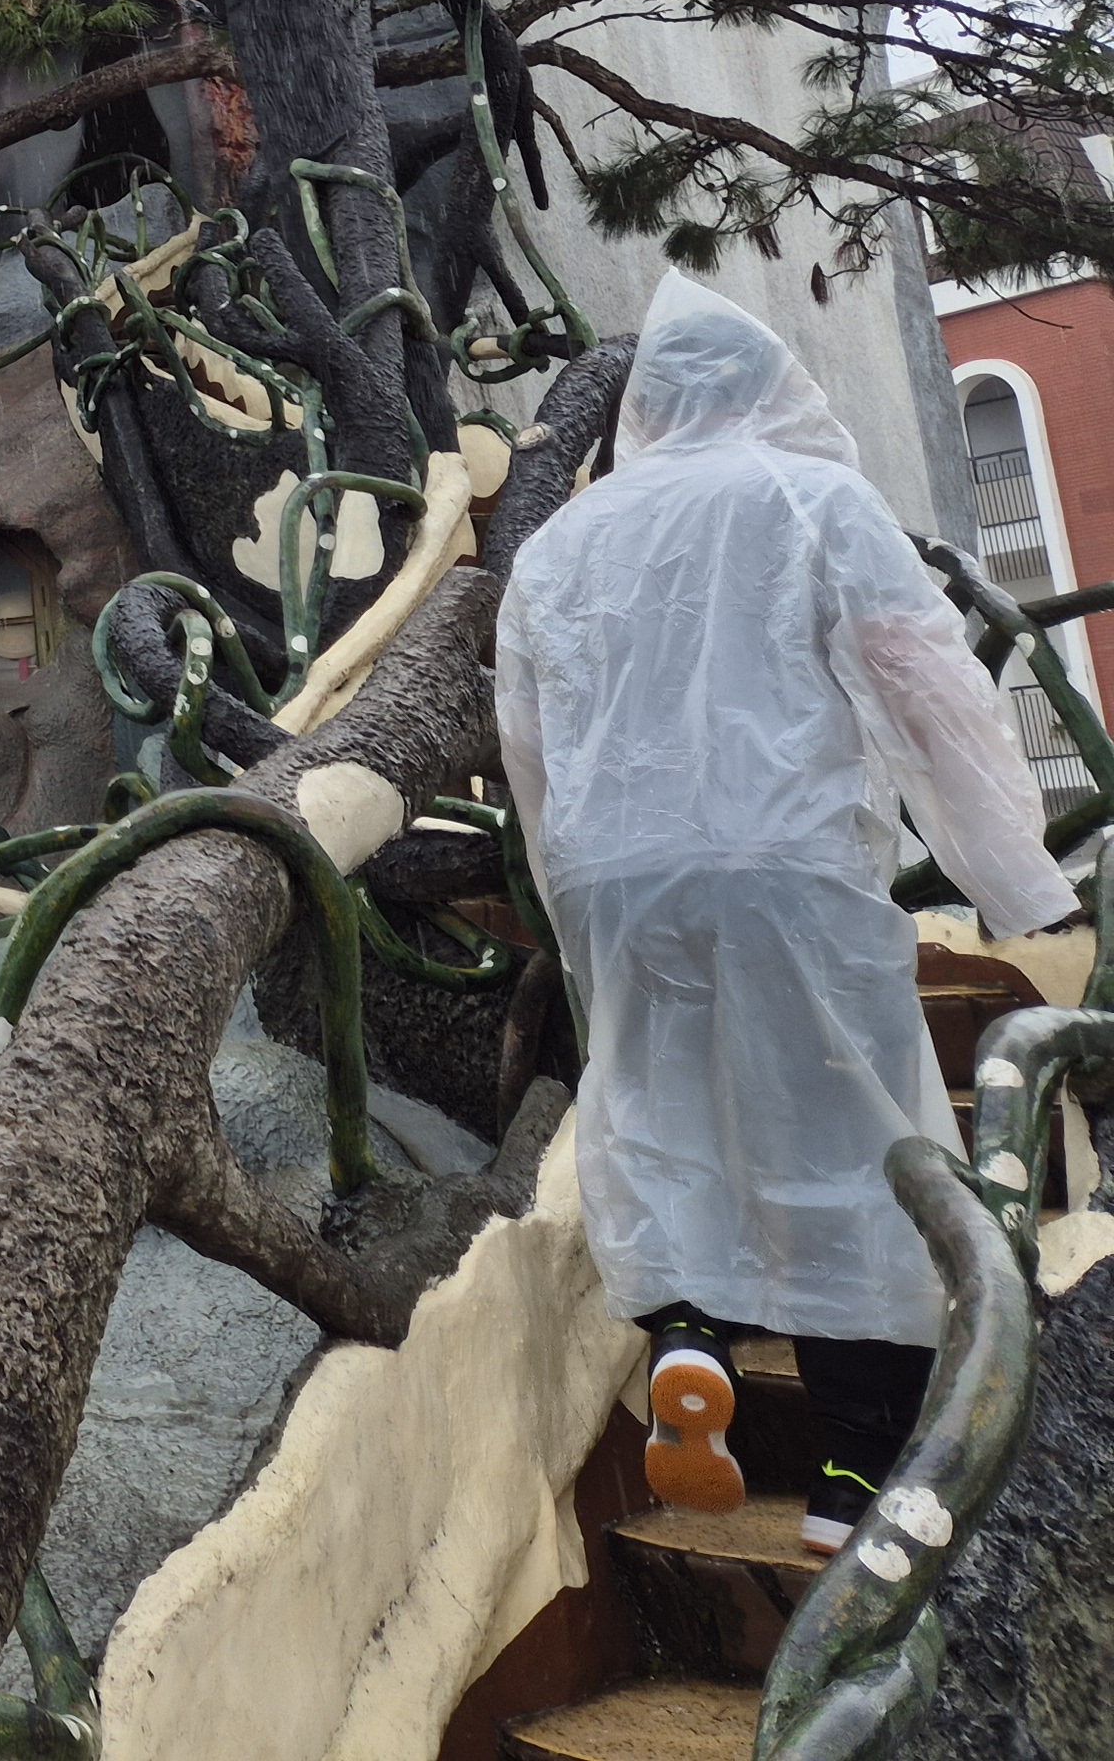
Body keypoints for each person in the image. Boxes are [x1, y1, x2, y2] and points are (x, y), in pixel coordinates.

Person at [495, 268, 1080, 1551]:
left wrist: (569, 902)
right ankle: (850, 1476)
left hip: (616, 883)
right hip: (779, 866)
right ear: (770, 386)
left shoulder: (557, 547)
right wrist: (1016, 881)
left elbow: (530, 747)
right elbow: (923, 683)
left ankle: (688, 1337)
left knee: (664, 1120)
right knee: (847, 1143)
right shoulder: (812, 496)